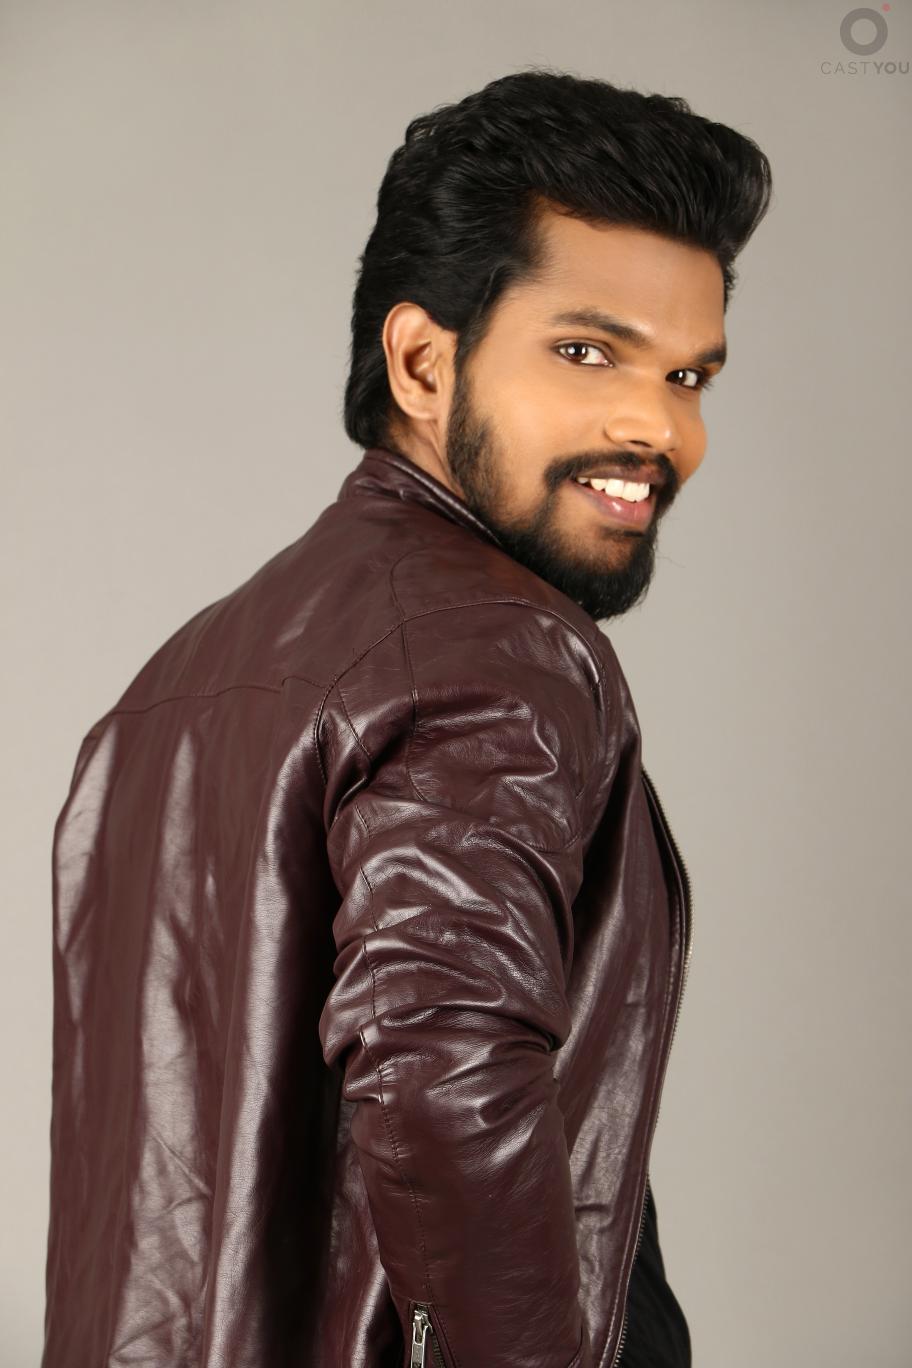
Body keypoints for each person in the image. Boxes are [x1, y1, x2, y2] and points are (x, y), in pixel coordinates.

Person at [41, 68, 772, 1368]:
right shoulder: (501, 646)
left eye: (690, 376)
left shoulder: (170, 689)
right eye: (588, 353)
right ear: (425, 362)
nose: (657, 426)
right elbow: (447, 1077)